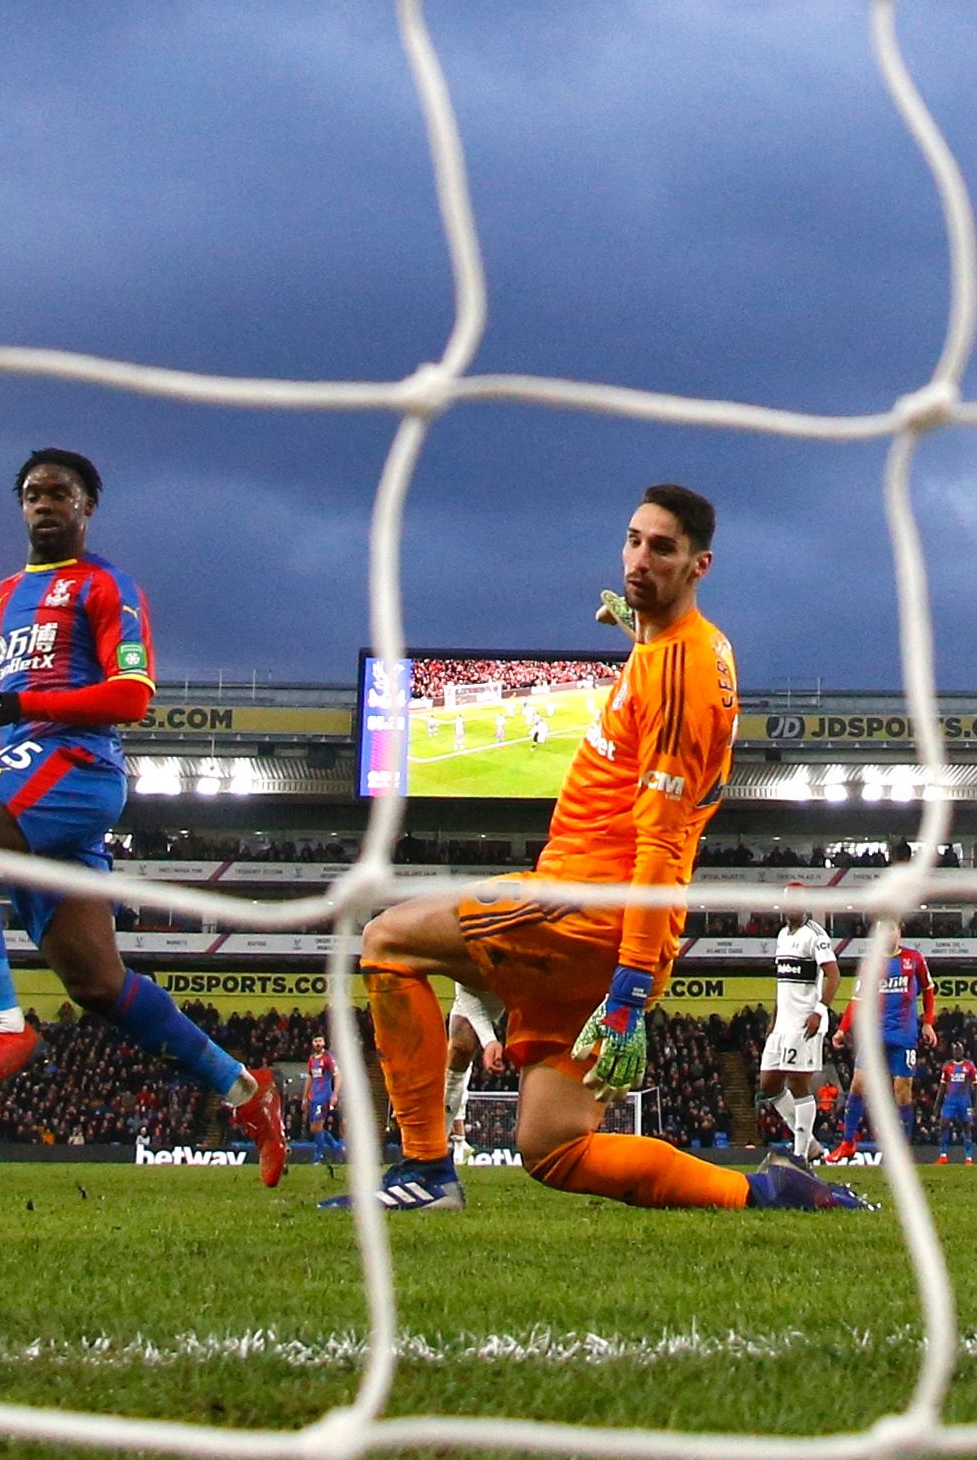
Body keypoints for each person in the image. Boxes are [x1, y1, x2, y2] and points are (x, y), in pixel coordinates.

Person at [328, 484, 869, 1212]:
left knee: (387, 941)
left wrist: (629, 993)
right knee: (553, 1148)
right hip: (604, 931)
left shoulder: (678, 678)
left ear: (698, 565)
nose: (640, 558)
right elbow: (666, 662)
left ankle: (426, 1169)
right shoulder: (692, 646)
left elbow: (660, 845)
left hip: (583, 909)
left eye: (663, 548)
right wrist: (632, 625)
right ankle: (770, 1191)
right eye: (634, 540)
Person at [0, 448, 286, 1184]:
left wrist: (23, 706)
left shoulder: (106, 586)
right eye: (32, 494)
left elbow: (131, 697)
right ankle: (246, 1091)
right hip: (30, 772)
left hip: (77, 766)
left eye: (60, 493)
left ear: (87, 507)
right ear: (21, 508)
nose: (44, 503)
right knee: (98, 985)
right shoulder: (1, 597)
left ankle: (0, 1023)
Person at [828, 937, 938, 1160]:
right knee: (858, 1085)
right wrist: (842, 1029)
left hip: (904, 1035)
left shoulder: (914, 959)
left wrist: (927, 1023)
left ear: (899, 932)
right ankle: (848, 1142)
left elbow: (928, 989)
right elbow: (857, 1000)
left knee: (902, 1091)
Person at [756, 885, 840, 1162]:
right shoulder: (782, 935)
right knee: (768, 1083)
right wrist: (774, 1016)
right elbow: (784, 982)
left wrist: (819, 1011)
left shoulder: (816, 936)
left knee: (797, 1083)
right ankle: (810, 1141)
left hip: (805, 1022)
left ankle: (801, 1153)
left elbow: (833, 976)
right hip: (782, 1024)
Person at [444, 985, 508, 1158]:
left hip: (531, 988)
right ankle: (435, 1151)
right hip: (480, 992)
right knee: (462, 1046)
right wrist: (489, 1040)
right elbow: (464, 987)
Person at [934, 1047, 977, 1165]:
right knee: (943, 1124)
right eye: (955, 1051)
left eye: (959, 1051)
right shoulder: (947, 1066)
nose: (957, 1053)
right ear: (952, 1052)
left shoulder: (969, 1065)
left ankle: (968, 1158)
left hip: (964, 1100)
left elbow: (976, 1085)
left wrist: (976, 1104)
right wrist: (937, 1103)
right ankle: (943, 1155)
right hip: (950, 1100)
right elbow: (942, 1086)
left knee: (966, 1126)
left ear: (963, 1052)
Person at [305, 1034, 344, 1165]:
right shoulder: (311, 1059)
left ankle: (318, 1158)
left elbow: (338, 1076)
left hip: (324, 1096)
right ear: (312, 1043)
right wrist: (305, 1097)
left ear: (324, 1043)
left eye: (320, 1041)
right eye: (315, 1041)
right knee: (314, 1128)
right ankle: (336, 1146)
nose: (318, 1043)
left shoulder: (328, 1058)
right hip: (313, 1097)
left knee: (317, 1126)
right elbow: (310, 1077)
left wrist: (335, 1094)